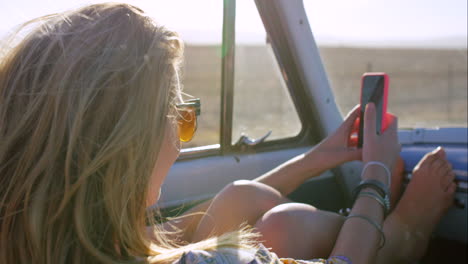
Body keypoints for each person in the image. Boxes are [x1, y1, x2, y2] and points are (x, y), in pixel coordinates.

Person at [0, 3, 456, 264]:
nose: (181, 140)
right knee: (287, 225)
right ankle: (403, 239)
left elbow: (172, 231)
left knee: (242, 197)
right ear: (128, 147)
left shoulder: (58, 237)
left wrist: (319, 156)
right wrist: (374, 178)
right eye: (179, 117)